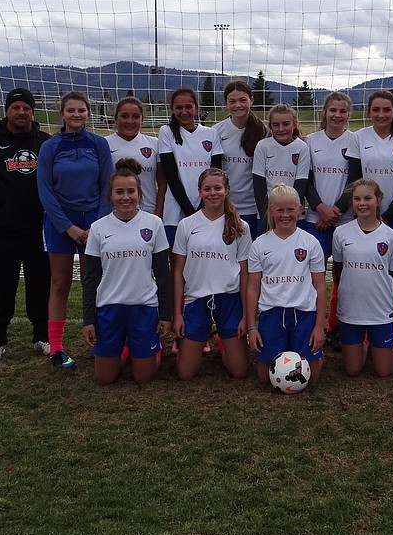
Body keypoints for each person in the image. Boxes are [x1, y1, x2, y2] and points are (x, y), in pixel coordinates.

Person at [0, 87, 51, 362]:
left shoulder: (46, 143)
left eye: (26, 108)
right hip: (2, 231)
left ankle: (42, 334)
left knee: (41, 285)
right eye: (16, 107)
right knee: (0, 287)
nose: (21, 112)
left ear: (32, 111)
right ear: (7, 110)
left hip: (39, 231)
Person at [37, 91, 114, 368]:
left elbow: (108, 186)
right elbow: (45, 191)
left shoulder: (99, 144)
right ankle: (56, 348)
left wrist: (96, 226)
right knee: (60, 283)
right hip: (60, 223)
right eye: (71, 110)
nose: (76, 115)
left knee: (94, 282)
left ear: (88, 113)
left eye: (81, 110)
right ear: (62, 114)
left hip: (94, 222)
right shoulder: (50, 147)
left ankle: (99, 342)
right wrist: (68, 227)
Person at [81, 158, 172, 385]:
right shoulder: (98, 228)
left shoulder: (153, 224)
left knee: (144, 378)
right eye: (119, 192)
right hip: (109, 308)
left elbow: (163, 274)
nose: (125, 197)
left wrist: (165, 315)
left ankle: (148, 349)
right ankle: (123, 346)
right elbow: (90, 279)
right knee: (104, 379)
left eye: (131, 191)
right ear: (110, 195)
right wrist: (88, 320)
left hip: (143, 307)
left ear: (139, 193)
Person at [340, 89, 393, 333]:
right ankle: (360, 324)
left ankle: (392, 330)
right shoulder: (358, 138)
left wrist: (387, 216)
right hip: (363, 216)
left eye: (386, 109)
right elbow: (354, 179)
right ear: (369, 112)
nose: (381, 114)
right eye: (376, 109)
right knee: (363, 270)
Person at [171, 167, 252, 380]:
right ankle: (198, 341)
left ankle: (224, 341)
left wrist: (245, 316)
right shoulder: (187, 225)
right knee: (185, 373)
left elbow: (245, 273)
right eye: (207, 188)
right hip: (197, 299)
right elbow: (178, 271)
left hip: (230, 299)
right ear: (199, 191)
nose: (212, 193)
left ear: (227, 190)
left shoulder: (240, 226)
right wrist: (178, 314)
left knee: (240, 371)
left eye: (218, 188)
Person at [331, 178, 393, 377]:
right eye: (357, 199)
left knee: (383, 371)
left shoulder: (391, 237)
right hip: (350, 311)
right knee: (352, 370)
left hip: (379, 311)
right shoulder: (341, 233)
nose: (362, 203)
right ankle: (366, 342)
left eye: (367, 198)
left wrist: (384, 301)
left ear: (378, 200)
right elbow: (338, 270)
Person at [245, 185, 327, 387]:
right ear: (271, 210)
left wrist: (318, 326)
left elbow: (320, 287)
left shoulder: (310, 242)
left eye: (290, 210)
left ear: (300, 209)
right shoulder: (260, 244)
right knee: (265, 379)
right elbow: (252, 288)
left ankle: (312, 355)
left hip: (304, 315)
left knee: (313, 378)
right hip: (272, 315)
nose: (285, 215)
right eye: (279, 210)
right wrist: (252, 327)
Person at [301, 92, 355, 348]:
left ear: (348, 114)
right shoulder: (310, 141)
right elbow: (306, 180)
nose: (337, 115)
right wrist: (320, 208)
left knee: (343, 276)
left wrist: (335, 212)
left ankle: (336, 327)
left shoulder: (354, 140)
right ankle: (312, 325)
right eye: (333, 110)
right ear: (325, 112)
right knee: (314, 276)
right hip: (315, 218)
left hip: (344, 220)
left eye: (342, 111)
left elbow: (355, 180)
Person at [158, 87, 224, 245]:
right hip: (175, 209)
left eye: (188, 106)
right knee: (177, 263)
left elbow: (216, 174)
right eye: (179, 107)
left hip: (207, 206)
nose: (184, 111)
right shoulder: (166, 132)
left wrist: (202, 208)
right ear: (172, 109)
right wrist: (191, 212)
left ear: (196, 108)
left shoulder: (211, 134)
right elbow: (171, 176)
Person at [214, 80, 267, 238]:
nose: (238, 105)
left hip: (255, 209)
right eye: (232, 101)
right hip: (226, 207)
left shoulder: (265, 132)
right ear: (225, 104)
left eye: (243, 100)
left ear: (251, 100)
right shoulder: (216, 131)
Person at [105, 96, 162, 216]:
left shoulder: (155, 144)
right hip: (114, 213)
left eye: (135, 116)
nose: (130, 121)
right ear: (115, 118)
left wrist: (158, 212)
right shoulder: (104, 144)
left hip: (148, 212)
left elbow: (162, 184)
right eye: (124, 116)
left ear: (143, 119)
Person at [251, 103, 310, 217]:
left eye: (286, 124)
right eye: (276, 125)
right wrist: (266, 218)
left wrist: (292, 214)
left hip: (293, 215)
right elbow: (259, 187)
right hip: (268, 214)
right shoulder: (263, 146)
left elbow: (300, 187)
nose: (281, 129)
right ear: (270, 126)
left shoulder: (302, 147)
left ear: (295, 124)